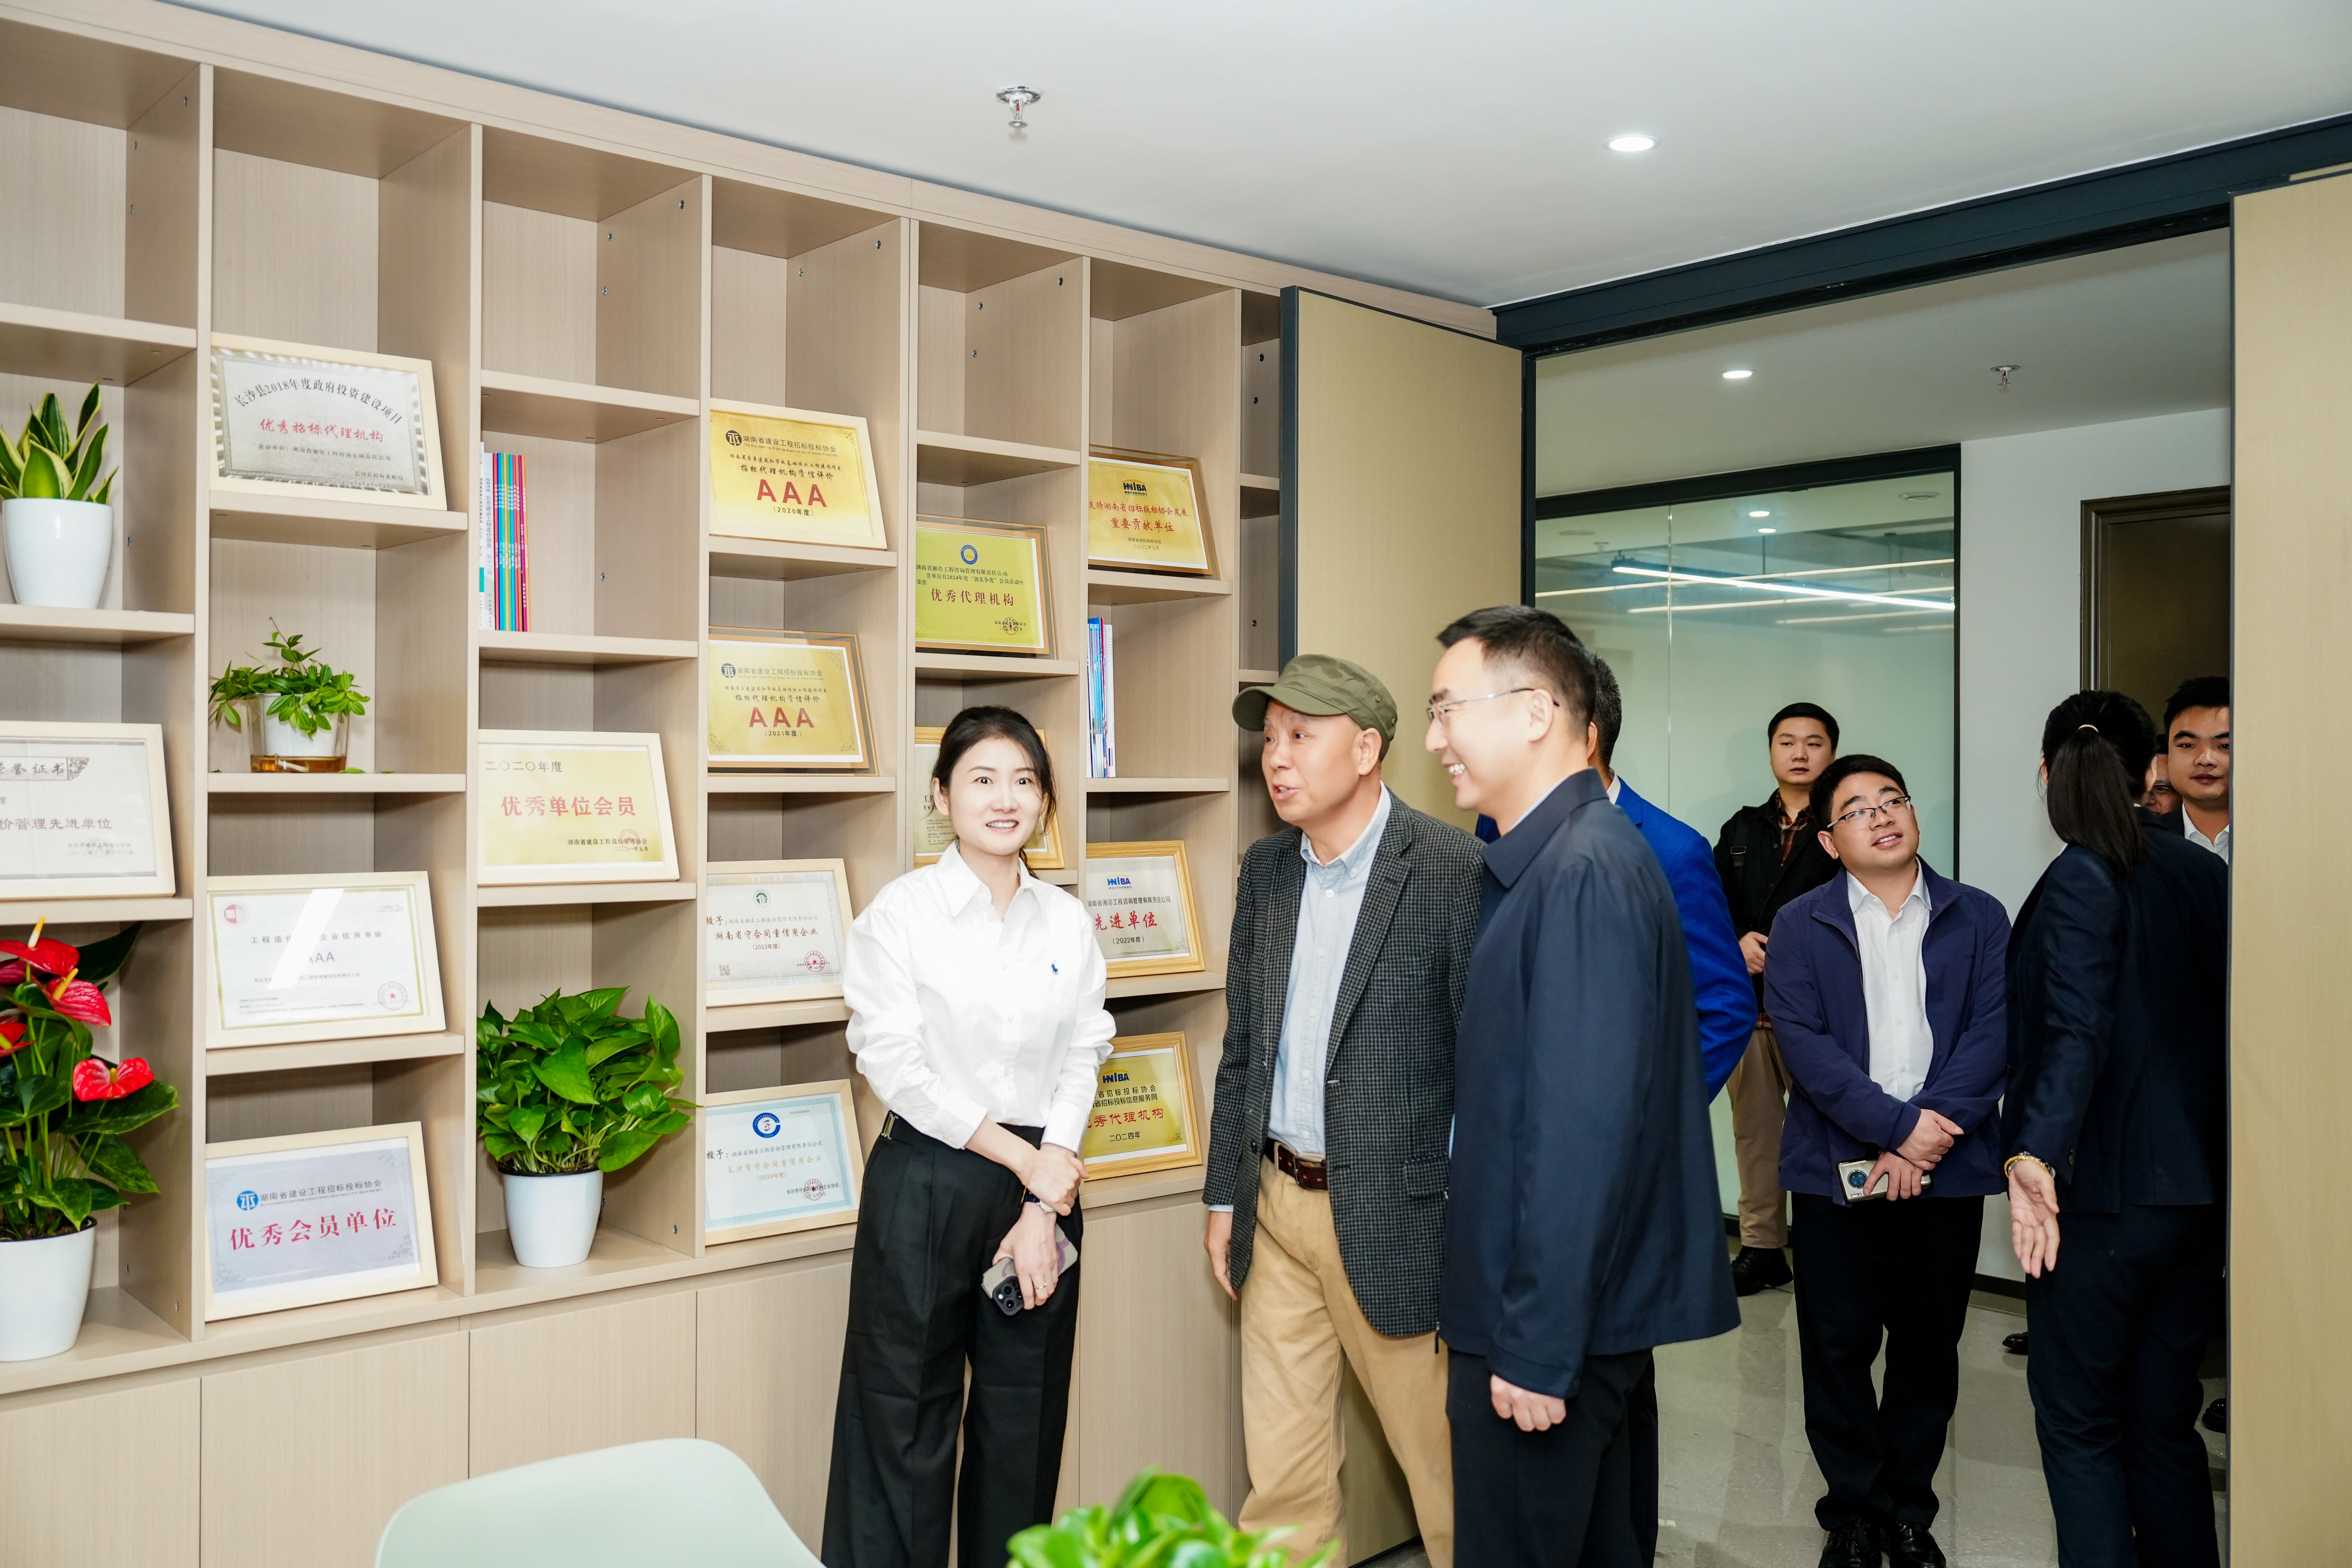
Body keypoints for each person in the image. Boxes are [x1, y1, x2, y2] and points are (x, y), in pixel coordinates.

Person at [1429, 605, 1736, 1567]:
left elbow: (1579, 1133)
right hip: (1557, 1314)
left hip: (1539, 1327)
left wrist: (1535, 1342)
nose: (1434, 739)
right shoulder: (1556, 858)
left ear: (1534, 712)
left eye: (1446, 708)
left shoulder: (1582, 870)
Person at [1204, 654, 1484, 1568]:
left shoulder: (1451, 868)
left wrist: (1467, 1219)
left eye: (1300, 735)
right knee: (1281, 1478)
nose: (1275, 757)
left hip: (1399, 1215)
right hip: (1275, 1205)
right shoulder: (1266, 869)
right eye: (1269, 738)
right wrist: (1224, 1194)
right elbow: (1244, 1044)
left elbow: (1485, 1067)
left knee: (1444, 1470)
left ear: (1365, 749)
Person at [826, 707, 1114, 1568]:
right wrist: (1030, 1161)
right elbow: (895, 1063)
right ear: (942, 795)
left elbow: (1085, 1049)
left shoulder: (1065, 920)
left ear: (1046, 800)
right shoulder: (900, 914)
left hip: (1040, 1193)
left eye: (1024, 780)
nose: (1005, 798)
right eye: (982, 779)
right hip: (928, 1175)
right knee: (901, 1418)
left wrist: (1043, 1191)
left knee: (1023, 1422)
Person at [1764, 754, 2010, 1568]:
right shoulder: (1800, 922)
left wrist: (1925, 1134)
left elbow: (1991, 1033)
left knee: (1926, 1346)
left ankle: (1906, 1508)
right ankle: (1852, 1510)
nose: (1880, 815)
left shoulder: (1977, 915)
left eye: (1891, 799)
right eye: (1857, 808)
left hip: (1947, 1168)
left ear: (1911, 813)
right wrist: (1898, 1130)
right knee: (1835, 1347)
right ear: (1828, 840)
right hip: (1834, 1167)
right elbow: (1805, 1046)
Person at [2003, 692, 2228, 1568]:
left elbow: (2074, 1029)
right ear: (2152, 770)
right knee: (2160, 1424)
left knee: (2079, 1425)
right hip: (2192, 1197)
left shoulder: (2079, 874)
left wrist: (2033, 1151)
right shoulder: (2202, 873)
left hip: (2097, 1197)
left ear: (2045, 772)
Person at [1475, 653, 1753, 1097]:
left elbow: (1726, 1008)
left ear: (1586, 739)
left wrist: (1650, 1115)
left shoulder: (1672, 852)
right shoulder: (1495, 824)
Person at [1714, 702, 1845, 1294]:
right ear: (1771, 752)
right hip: (1750, 1008)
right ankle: (1763, 1248)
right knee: (1756, 1136)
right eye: (1787, 742)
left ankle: (1834, 1243)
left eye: (1813, 743)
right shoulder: (1741, 828)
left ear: (1832, 753)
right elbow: (1708, 903)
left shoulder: (1847, 822)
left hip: (1821, 1013)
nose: (1799, 753)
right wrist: (1735, 940)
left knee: (1833, 1129)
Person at [2159, 676, 2230, 862]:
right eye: (2188, 745)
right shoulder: (2142, 844)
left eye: (2225, 746)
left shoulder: (2282, 836)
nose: (2205, 760)